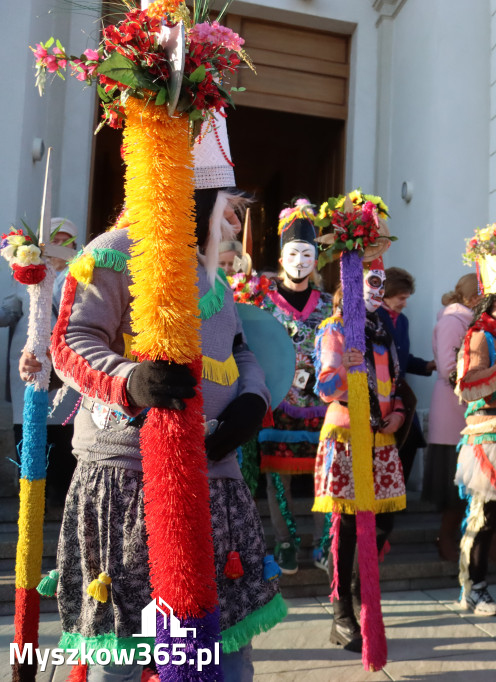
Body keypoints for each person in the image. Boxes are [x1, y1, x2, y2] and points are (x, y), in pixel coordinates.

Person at [48, 119, 285, 680]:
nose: (234, 224)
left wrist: (252, 399)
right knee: (126, 658)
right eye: (229, 207)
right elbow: (68, 344)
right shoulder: (112, 253)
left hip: (215, 482)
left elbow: (241, 348)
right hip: (128, 482)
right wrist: (132, 380)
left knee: (222, 655)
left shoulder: (213, 278)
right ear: (193, 196)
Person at [314, 259, 406, 652]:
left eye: (381, 285)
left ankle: (358, 590)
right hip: (347, 435)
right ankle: (342, 615)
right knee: (348, 526)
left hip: (381, 438)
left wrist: (399, 413)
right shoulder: (334, 328)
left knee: (385, 518)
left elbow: (395, 386)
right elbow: (324, 385)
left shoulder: (383, 331)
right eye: (370, 282)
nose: (378, 292)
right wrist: (345, 370)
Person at [256, 200, 332, 575]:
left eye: (307, 253)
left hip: (321, 401)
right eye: (292, 253)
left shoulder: (331, 304)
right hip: (278, 399)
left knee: (325, 474)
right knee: (277, 478)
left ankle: (324, 542)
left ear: (316, 258)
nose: (300, 261)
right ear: (281, 257)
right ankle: (285, 541)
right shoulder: (260, 303)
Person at [3, 217, 80, 516]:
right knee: (27, 435)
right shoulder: (29, 277)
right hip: (25, 372)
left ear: (74, 245)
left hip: (63, 374)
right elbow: (10, 311)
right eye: (53, 240)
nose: (58, 246)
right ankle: (33, 503)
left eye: (65, 240)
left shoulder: (79, 276)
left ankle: (63, 502)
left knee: (62, 438)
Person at [453, 289, 496, 616]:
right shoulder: (480, 337)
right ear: (495, 302)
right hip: (488, 435)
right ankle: (473, 587)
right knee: (483, 515)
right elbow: (469, 383)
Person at [423, 273, 479, 561]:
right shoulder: (452, 321)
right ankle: (445, 539)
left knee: (469, 485)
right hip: (452, 412)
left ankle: (468, 542)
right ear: (473, 298)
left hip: (467, 411)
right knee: (452, 487)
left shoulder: (467, 319)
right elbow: (448, 369)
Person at [377, 266, 435, 483]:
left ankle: (396, 496)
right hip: (381, 394)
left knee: (411, 442)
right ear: (387, 294)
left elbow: (401, 356)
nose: (405, 303)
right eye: (401, 298)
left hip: (399, 394)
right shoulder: (374, 317)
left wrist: (427, 366)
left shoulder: (402, 320)